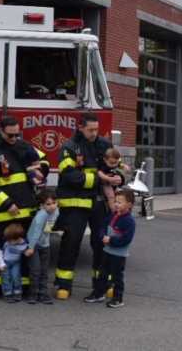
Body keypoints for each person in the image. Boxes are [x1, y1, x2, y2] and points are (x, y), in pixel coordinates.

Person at [54, 112, 119, 300]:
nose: (94, 133)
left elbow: (117, 165)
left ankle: (102, 284)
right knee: (71, 243)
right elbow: (68, 174)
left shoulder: (104, 144)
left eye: (96, 129)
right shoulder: (69, 147)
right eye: (90, 129)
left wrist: (119, 177)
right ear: (80, 127)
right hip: (76, 203)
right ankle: (63, 284)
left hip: (99, 204)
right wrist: (99, 180)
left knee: (100, 244)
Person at [0, 116, 44, 300]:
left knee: (23, 250)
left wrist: (40, 171)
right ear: (1, 131)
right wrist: (7, 203)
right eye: (11, 135)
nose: (15, 138)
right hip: (1, 213)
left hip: (24, 212)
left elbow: (43, 161)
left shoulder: (24, 147)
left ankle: (21, 286)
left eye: (17, 134)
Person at [83, 189, 136, 308]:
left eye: (120, 202)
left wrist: (111, 240)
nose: (116, 204)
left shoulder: (129, 221)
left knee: (117, 277)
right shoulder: (113, 215)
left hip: (119, 255)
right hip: (107, 251)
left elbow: (126, 239)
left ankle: (118, 298)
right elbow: (103, 226)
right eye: (116, 201)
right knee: (102, 274)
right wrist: (102, 236)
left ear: (129, 205)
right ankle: (99, 293)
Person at [25, 189, 59, 304]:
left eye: (54, 203)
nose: (52, 206)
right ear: (42, 205)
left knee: (44, 270)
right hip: (34, 245)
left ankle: (43, 294)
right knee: (35, 270)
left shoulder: (56, 212)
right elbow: (36, 232)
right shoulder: (41, 215)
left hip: (45, 245)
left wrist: (46, 242)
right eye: (48, 204)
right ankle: (33, 294)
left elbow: (48, 229)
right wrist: (31, 247)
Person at [0, 222, 29, 303]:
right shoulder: (5, 243)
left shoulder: (23, 242)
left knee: (16, 277)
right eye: (11, 240)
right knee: (6, 278)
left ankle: (17, 293)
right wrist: (1, 263)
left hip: (16, 263)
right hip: (5, 263)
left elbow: (26, 250)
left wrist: (27, 252)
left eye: (16, 240)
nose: (13, 242)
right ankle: (7, 294)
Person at [99, 148, 128, 213]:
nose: (114, 165)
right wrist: (107, 178)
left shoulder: (115, 162)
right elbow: (99, 173)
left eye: (115, 162)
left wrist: (125, 167)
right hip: (106, 183)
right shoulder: (103, 166)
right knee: (111, 195)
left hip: (114, 183)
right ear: (105, 160)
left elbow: (121, 165)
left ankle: (118, 206)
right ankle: (113, 209)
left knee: (118, 194)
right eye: (111, 163)